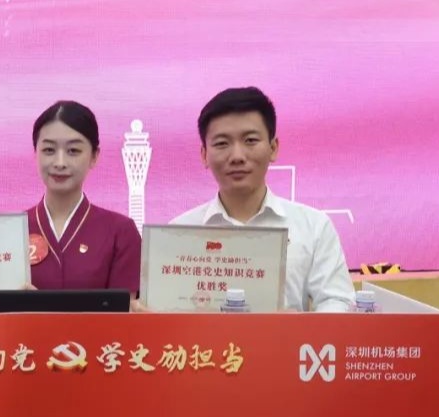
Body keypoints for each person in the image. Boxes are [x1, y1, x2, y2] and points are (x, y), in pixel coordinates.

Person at [169, 87, 355, 312]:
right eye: (222, 143)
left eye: (250, 140)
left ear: (273, 148)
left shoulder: (314, 227)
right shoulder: (178, 233)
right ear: (204, 155)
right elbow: (166, 309)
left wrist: (300, 326)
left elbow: (339, 301)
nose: (237, 156)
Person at [24, 101, 141, 297]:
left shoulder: (121, 232)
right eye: (49, 150)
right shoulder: (10, 230)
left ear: (94, 156)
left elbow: (125, 311)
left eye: (73, 151)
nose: (60, 163)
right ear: (36, 153)